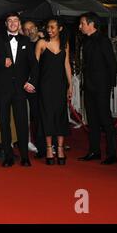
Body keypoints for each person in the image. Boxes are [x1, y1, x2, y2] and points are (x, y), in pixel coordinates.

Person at [0, 12, 38, 167]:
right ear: (6, 24)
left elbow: (34, 65)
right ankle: (8, 156)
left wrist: (32, 82)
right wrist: (2, 61)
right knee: (4, 122)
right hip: (2, 88)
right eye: (10, 21)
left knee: (22, 123)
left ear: (19, 23)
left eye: (16, 20)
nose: (13, 23)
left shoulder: (26, 41)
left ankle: (24, 156)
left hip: (20, 89)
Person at [78, 12, 117, 165]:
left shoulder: (103, 41)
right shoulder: (85, 41)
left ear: (91, 24)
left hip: (101, 86)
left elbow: (112, 63)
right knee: (92, 121)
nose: (80, 26)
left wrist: (109, 85)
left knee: (106, 120)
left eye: (82, 23)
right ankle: (94, 151)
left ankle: (112, 154)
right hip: (88, 86)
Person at [35, 18, 72, 165]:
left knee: (61, 115)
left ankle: (61, 149)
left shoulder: (65, 44)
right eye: (47, 27)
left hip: (60, 85)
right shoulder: (41, 43)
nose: (49, 30)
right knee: (47, 116)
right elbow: (35, 66)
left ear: (60, 29)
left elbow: (66, 64)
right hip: (45, 86)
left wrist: (70, 85)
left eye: (52, 27)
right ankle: (49, 149)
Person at [22, 20, 45, 157]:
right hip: (27, 85)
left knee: (41, 116)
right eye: (26, 29)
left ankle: (46, 144)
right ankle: (30, 142)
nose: (29, 31)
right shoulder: (23, 44)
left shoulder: (44, 42)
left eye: (31, 28)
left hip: (43, 85)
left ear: (36, 28)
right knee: (30, 116)